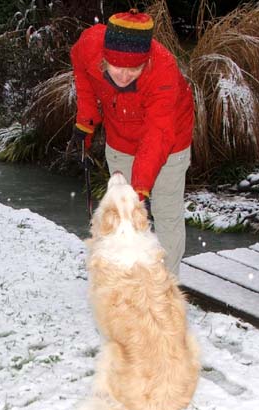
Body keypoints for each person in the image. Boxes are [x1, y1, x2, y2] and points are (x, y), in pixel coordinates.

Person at [70, 9, 194, 277]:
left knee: (166, 215)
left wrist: (140, 190)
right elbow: (83, 79)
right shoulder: (89, 46)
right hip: (120, 137)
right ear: (104, 58)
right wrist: (86, 121)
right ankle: (124, 276)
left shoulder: (163, 68)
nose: (124, 76)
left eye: (133, 69)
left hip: (170, 142)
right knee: (119, 215)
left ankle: (164, 285)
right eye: (117, 67)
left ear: (145, 62)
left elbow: (158, 134)